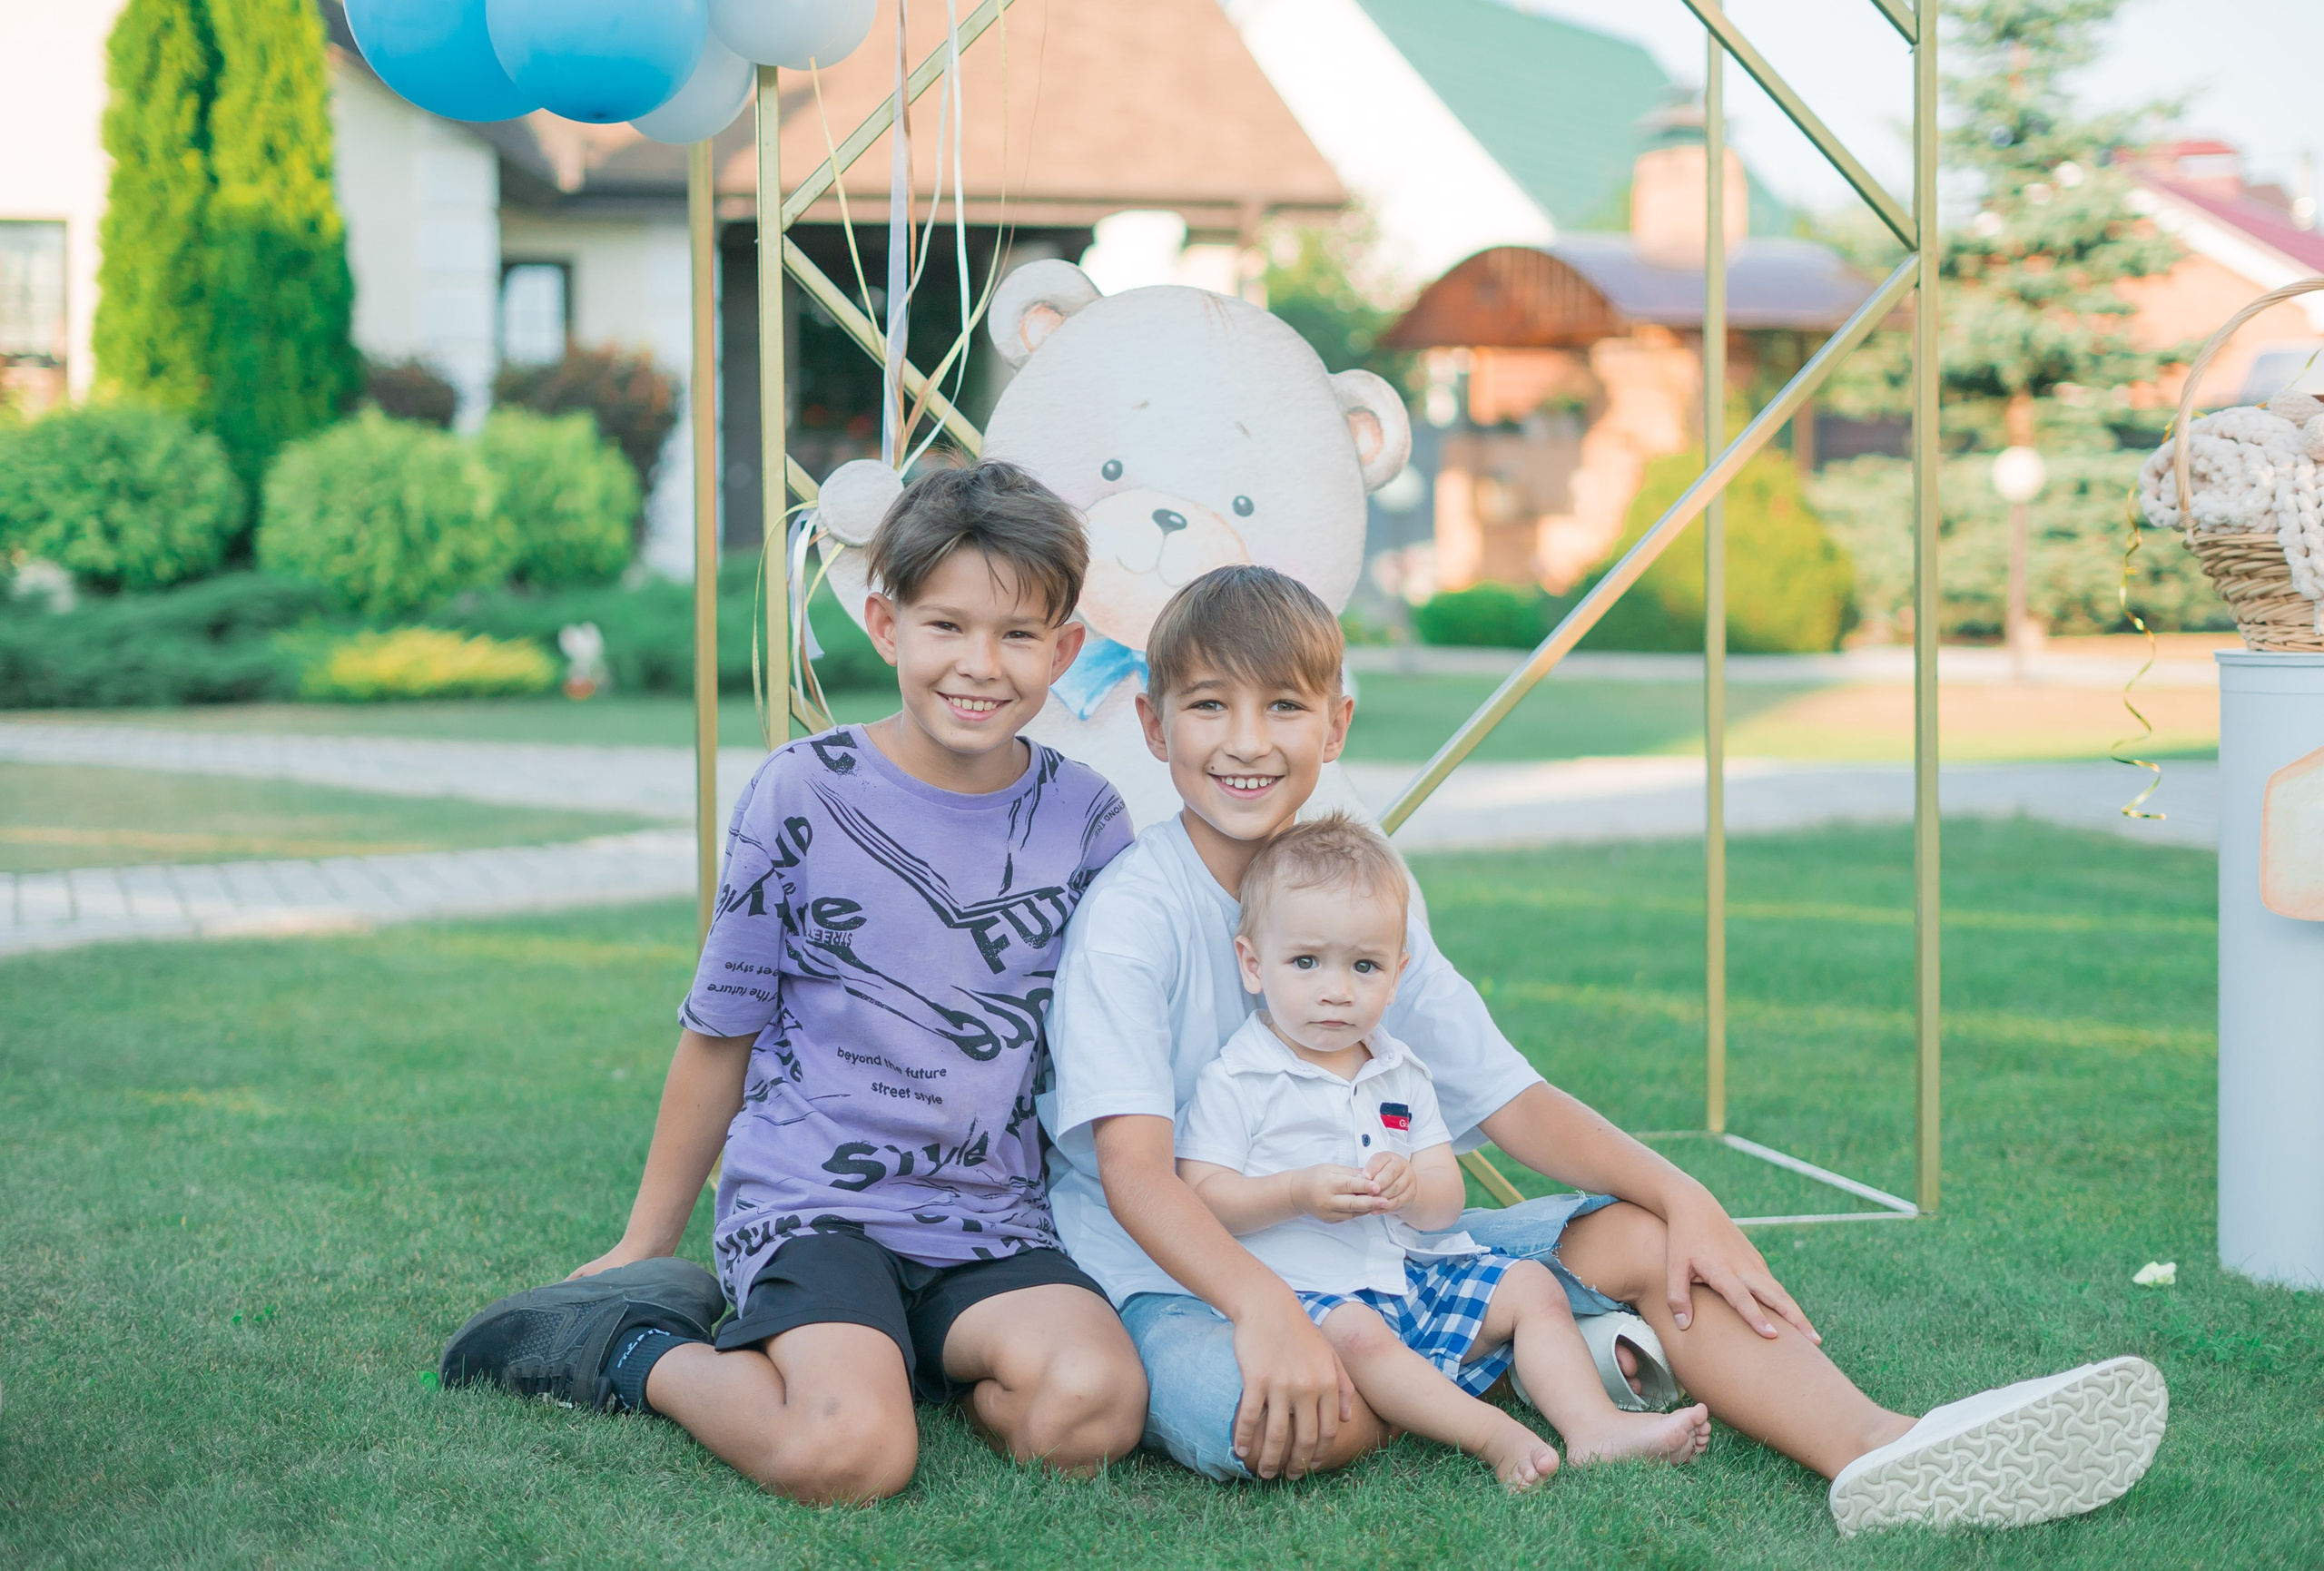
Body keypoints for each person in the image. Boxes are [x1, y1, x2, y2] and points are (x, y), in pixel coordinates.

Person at [1041, 564, 2167, 1533]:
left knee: (1641, 1233)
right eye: (1208, 708)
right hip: (1185, 1280)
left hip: (1377, 1251)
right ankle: (1558, 1354)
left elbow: (1506, 1097)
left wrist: (1686, 1197)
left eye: (1284, 707)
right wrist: (1269, 1311)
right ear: (1153, 725)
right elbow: (1139, 1178)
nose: (1248, 744)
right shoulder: (1134, 918)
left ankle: (1881, 1446)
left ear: (1334, 725)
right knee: (1299, 1424)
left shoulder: (1350, 883)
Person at [440, 462, 1147, 1504]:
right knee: (848, 1456)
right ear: (883, 622)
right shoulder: (801, 791)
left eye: (1018, 634)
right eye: (946, 626)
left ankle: (903, 1359)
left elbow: (1105, 1048)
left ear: (1067, 649)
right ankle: (637, 1348)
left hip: (987, 1220)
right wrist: (647, 1241)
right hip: (817, 1205)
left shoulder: (1087, 818)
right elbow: (720, 1029)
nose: (979, 666)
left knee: (1088, 1413)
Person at [1177, 810, 1712, 1489]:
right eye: (1305, 961)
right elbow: (1201, 1197)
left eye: (1363, 965)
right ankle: (1495, 1434)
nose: (1336, 989)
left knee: (1529, 1284)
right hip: (1304, 1293)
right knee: (1360, 1338)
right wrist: (1294, 1191)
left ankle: (1592, 1425)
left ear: (1396, 974)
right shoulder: (1238, 1077)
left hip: (1407, 1271)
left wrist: (1415, 1185)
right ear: (1253, 963)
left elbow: (1444, 1198)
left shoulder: (1400, 1070)